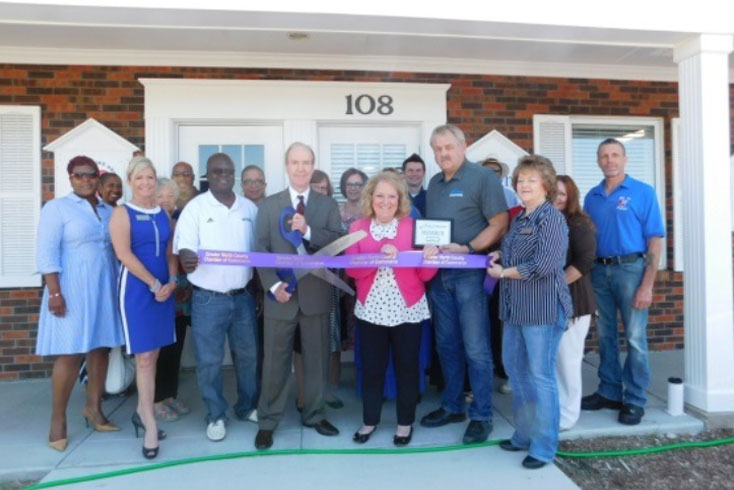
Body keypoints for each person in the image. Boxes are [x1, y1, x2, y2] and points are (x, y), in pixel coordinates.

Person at [421, 124, 508, 445]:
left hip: (470, 274)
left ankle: (482, 415)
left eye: (449, 147)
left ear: (463, 146)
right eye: (438, 149)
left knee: (476, 347)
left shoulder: (483, 178)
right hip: (439, 275)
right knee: (446, 344)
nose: (443, 153)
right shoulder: (434, 183)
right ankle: (453, 405)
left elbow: (500, 223)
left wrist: (469, 248)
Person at [254, 142, 343, 450]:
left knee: (317, 360)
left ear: (313, 165)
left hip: (316, 295)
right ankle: (268, 421)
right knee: (274, 362)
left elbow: (337, 244)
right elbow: (260, 249)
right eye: (295, 162)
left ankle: (315, 414)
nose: (301, 168)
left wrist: (308, 231)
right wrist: (272, 286)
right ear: (286, 166)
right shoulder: (269, 205)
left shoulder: (327, 205)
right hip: (280, 296)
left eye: (306, 162)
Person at [487, 154, 572, 469]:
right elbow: (519, 251)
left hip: (542, 310)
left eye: (531, 180)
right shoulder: (521, 217)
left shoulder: (551, 218)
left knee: (540, 377)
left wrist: (504, 273)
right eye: (520, 179)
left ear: (545, 185)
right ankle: (523, 434)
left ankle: (544, 447)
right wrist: (500, 253)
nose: (524, 184)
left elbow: (545, 264)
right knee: (516, 371)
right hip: (515, 310)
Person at [36, 156, 125, 452]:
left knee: (100, 348)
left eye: (91, 175)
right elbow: (47, 252)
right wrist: (55, 293)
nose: (85, 180)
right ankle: (58, 420)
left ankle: (94, 408)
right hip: (71, 290)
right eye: (79, 175)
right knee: (71, 353)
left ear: (97, 177)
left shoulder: (108, 210)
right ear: (70, 177)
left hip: (104, 287)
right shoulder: (57, 208)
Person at [345, 171, 438, 446]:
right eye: (380, 196)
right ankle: (369, 421)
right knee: (372, 368)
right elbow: (352, 270)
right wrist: (379, 257)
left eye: (392, 196)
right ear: (370, 198)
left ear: (400, 200)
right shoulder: (357, 228)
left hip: (407, 308)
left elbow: (424, 276)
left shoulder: (413, 227)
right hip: (371, 309)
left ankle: (404, 424)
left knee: (407, 368)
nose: (385, 202)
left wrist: (431, 257)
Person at [174, 153, 260, 441]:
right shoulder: (195, 208)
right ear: (207, 175)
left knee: (248, 357)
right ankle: (215, 415)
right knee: (209, 361)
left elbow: (259, 250)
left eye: (228, 171)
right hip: (208, 299)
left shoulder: (248, 208)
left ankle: (247, 407)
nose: (223, 175)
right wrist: (187, 258)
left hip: (243, 296)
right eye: (217, 171)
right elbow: (185, 247)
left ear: (234, 174)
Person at [581, 138, 665, 425]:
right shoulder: (592, 197)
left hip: (631, 270)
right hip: (599, 271)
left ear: (625, 159)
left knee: (635, 338)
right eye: (604, 155)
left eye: (615, 154)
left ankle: (635, 399)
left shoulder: (643, 192)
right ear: (598, 161)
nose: (610, 160)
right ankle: (609, 391)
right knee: (605, 335)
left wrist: (647, 285)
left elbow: (655, 240)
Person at [110, 156, 177, 459]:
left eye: (150, 177)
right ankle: (149, 422)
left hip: (164, 290)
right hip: (138, 291)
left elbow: (170, 251)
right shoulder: (122, 213)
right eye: (139, 178)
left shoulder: (163, 213)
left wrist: (172, 280)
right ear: (130, 181)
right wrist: (153, 284)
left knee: (154, 354)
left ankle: (141, 410)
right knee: (144, 357)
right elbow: (123, 254)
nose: (146, 183)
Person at [292, 170, 344, 412]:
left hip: (327, 285)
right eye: (316, 187)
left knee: (329, 341)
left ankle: (326, 391)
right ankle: (303, 394)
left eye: (324, 188)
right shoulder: (293, 212)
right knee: (300, 344)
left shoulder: (331, 211)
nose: (320, 192)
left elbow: (338, 244)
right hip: (298, 287)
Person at [553, 175, 597, 431]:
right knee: (554, 361)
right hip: (549, 303)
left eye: (562, 194)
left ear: (570, 197)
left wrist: (554, 286)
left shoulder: (578, 224)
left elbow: (584, 261)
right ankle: (555, 410)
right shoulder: (544, 220)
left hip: (574, 302)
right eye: (553, 192)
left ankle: (568, 416)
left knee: (568, 361)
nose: (557, 198)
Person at [150, 178, 191, 421]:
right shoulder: (148, 224)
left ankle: (169, 395)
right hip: (157, 290)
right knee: (159, 349)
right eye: (160, 196)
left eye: (170, 196)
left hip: (180, 291)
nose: (165, 201)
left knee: (175, 347)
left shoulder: (180, 222)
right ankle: (154, 400)